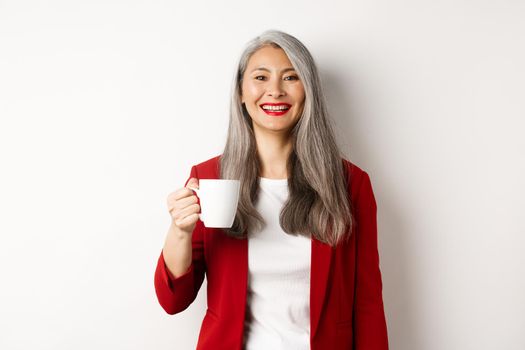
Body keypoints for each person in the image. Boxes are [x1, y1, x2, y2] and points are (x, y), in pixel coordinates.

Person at [154, 29, 389, 350]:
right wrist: (180, 231)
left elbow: (368, 303)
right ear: (241, 91)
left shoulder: (350, 183)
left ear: (308, 90)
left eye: (291, 77)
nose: (275, 91)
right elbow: (173, 300)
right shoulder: (209, 178)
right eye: (261, 78)